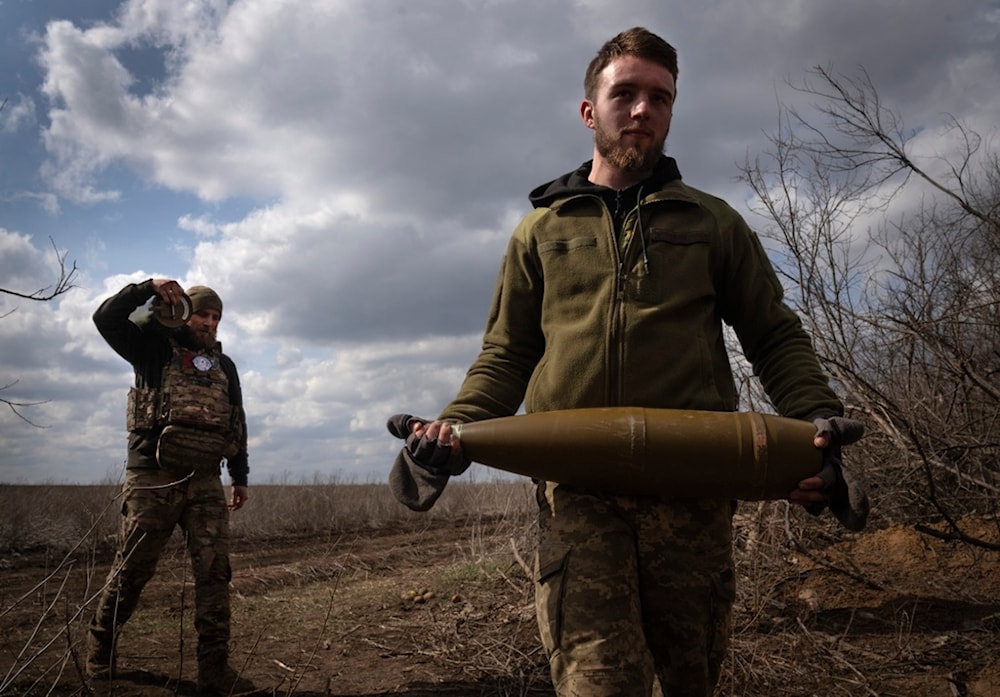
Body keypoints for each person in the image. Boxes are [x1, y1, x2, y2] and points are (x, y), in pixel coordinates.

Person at [388, 27, 868, 697]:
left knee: (689, 680)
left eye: (659, 98)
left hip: (693, 493)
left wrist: (815, 422)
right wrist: (454, 429)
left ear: (671, 111)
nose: (642, 109)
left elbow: (773, 334)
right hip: (578, 496)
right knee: (597, 683)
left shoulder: (714, 224)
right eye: (625, 93)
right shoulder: (540, 232)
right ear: (591, 110)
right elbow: (506, 354)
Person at [86, 278, 251, 696]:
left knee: (214, 573)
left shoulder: (224, 365)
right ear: (184, 312)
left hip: (205, 478)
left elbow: (236, 420)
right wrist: (147, 288)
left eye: (216, 317)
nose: (209, 323)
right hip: (152, 476)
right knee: (133, 569)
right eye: (202, 314)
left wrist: (240, 475)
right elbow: (104, 318)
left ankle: (214, 670)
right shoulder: (152, 345)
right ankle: (100, 650)